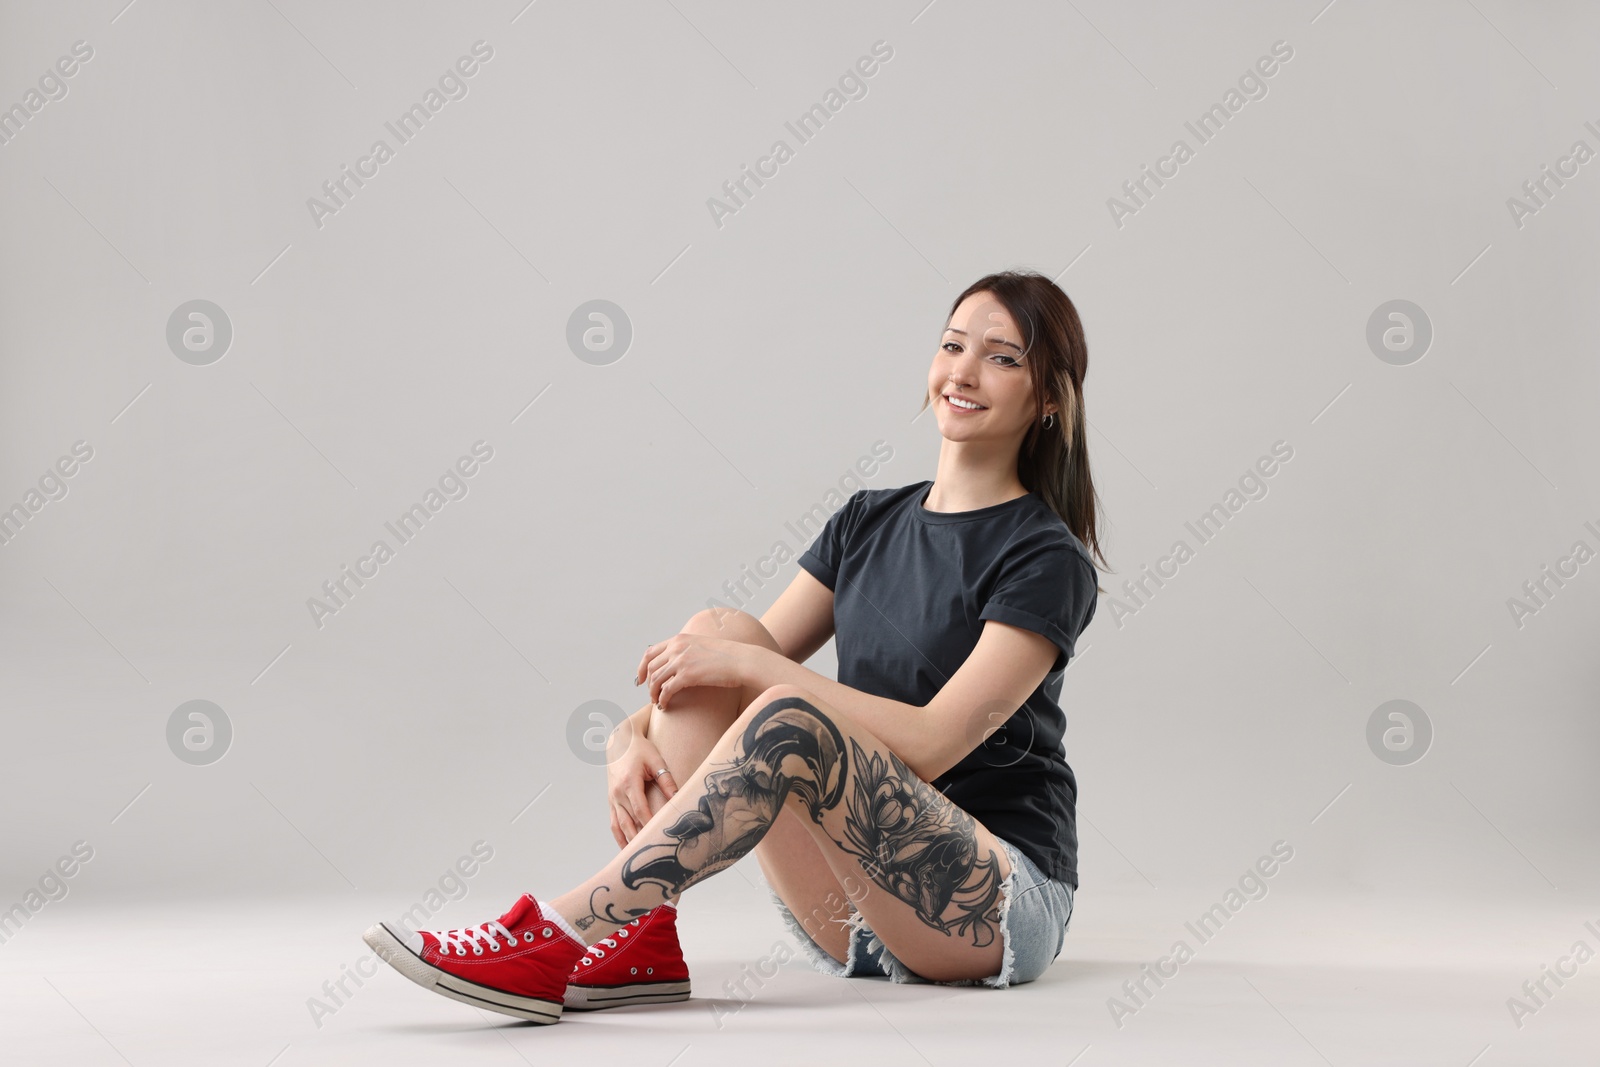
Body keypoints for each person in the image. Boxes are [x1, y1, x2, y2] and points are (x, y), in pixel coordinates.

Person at [362, 269, 1108, 1024]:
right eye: (953, 345)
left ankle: (556, 930)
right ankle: (648, 937)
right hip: (857, 911)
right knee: (718, 631)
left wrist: (756, 668)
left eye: (1002, 356)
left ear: (1048, 399)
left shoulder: (1044, 557)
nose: (965, 371)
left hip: (991, 902)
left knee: (783, 703)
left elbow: (935, 740)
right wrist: (627, 740)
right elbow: (718, 671)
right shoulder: (868, 521)